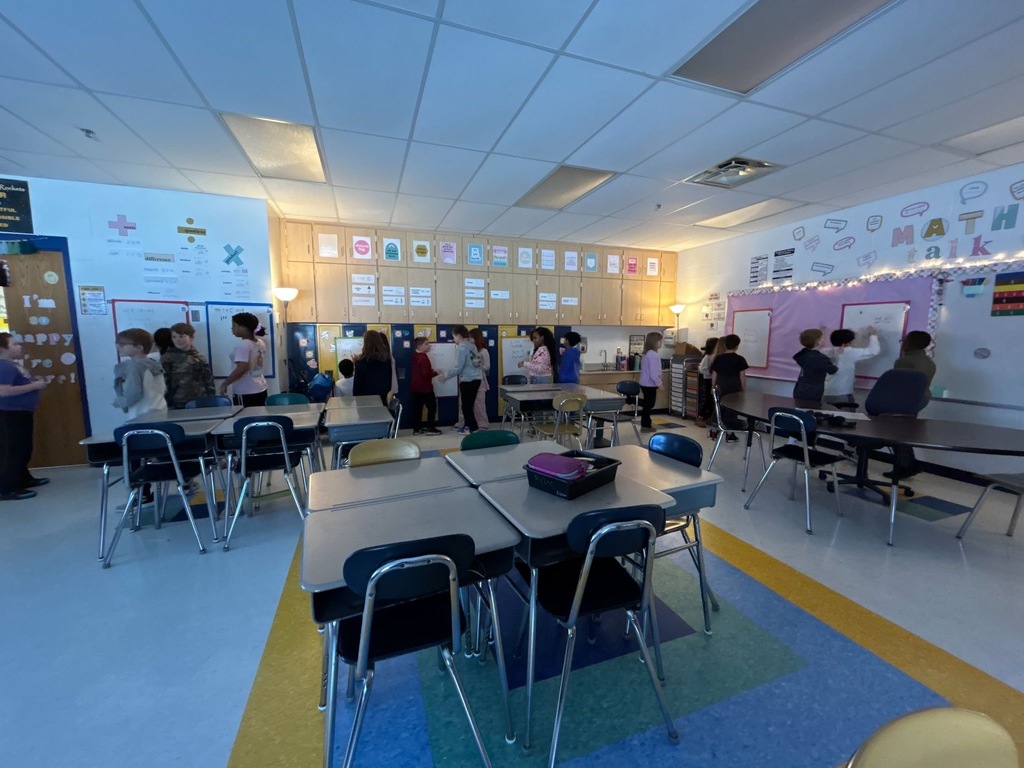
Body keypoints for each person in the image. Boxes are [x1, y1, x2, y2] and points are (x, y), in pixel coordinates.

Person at [0, 333, 49, 501]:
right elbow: (3, 391)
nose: (19, 346)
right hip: (9, 414)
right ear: (3, 349)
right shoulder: (3, 366)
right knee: (12, 450)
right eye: (14, 344)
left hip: (21, 412)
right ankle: (7, 488)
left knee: (23, 448)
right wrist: (35, 385)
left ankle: (22, 478)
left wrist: (33, 382)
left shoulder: (12, 365)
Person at [888, 330, 936, 478]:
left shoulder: (904, 361)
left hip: (902, 401)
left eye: (905, 340)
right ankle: (909, 464)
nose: (902, 343)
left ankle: (905, 466)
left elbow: (896, 385)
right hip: (918, 401)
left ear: (911, 343)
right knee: (904, 433)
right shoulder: (929, 362)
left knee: (897, 435)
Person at [113, 328, 167, 420]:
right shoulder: (152, 363)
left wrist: (118, 402)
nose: (118, 346)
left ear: (139, 347)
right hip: (158, 408)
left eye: (122, 344)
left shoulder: (134, 367)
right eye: (117, 343)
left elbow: (133, 394)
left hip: (140, 413)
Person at [439, 325, 483, 434]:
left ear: (458, 336)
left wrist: (446, 377)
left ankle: (471, 428)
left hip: (468, 380)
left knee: (466, 407)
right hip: (477, 378)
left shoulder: (461, 348)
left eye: (454, 337)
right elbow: (477, 363)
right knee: (469, 405)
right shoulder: (472, 346)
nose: (454, 340)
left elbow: (458, 368)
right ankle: (472, 427)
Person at [161, 322, 215, 409]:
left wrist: (211, 397)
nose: (178, 340)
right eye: (174, 337)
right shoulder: (167, 358)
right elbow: (165, 381)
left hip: (200, 399)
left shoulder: (199, 357)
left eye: (181, 336)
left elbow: (208, 380)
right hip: (177, 402)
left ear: (191, 338)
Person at [219, 312, 268, 406]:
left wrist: (225, 384)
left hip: (246, 390)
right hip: (260, 387)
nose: (232, 328)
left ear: (243, 328)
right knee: (258, 417)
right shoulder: (260, 342)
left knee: (245, 418)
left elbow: (241, 369)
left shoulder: (244, 344)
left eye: (234, 325)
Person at [824, 326, 879, 405]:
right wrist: (873, 335)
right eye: (852, 341)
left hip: (827, 390)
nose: (854, 343)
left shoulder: (826, 351)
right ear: (846, 343)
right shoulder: (848, 351)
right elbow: (874, 351)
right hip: (842, 392)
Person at [710, 334, 748, 443]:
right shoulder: (739, 359)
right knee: (732, 410)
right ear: (737, 346)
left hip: (720, 385)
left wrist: (713, 387)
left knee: (718, 408)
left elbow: (714, 374)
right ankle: (730, 434)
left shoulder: (718, 358)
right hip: (733, 387)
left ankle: (714, 430)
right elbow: (742, 376)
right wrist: (743, 388)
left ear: (725, 345)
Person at [792, 328, 837, 402]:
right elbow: (833, 370)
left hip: (800, 388)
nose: (824, 339)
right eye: (822, 338)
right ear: (817, 341)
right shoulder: (819, 358)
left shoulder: (803, 354)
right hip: (812, 392)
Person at [410, 337, 441, 435]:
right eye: (426, 344)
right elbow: (425, 374)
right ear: (420, 346)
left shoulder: (415, 355)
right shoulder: (423, 357)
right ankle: (430, 427)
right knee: (432, 407)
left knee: (417, 409)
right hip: (425, 388)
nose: (429, 346)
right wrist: (436, 372)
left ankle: (416, 429)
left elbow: (421, 371)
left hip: (415, 387)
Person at [353, 330, 393, 406]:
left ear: (366, 343)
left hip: (365, 402)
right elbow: (388, 383)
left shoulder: (360, 362)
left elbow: (357, 387)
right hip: (381, 400)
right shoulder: (386, 360)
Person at [639, 331, 663, 432]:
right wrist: (659, 383)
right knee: (648, 405)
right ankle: (646, 425)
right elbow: (653, 372)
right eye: (660, 341)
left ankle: (646, 424)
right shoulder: (652, 355)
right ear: (656, 342)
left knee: (648, 404)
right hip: (649, 384)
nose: (661, 343)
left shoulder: (647, 354)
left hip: (646, 383)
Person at [468, 328, 490, 430]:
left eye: (471, 337)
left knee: (479, 405)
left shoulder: (483, 351)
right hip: (469, 381)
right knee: (471, 405)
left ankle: (483, 425)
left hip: (480, 382)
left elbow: (487, 367)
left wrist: (477, 365)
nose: (469, 339)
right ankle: (473, 424)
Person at [695, 336, 718, 428]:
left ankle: (708, 417)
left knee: (712, 400)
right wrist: (709, 372)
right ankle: (700, 417)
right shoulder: (707, 357)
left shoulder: (715, 356)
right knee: (709, 399)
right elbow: (702, 369)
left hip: (713, 379)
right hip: (708, 379)